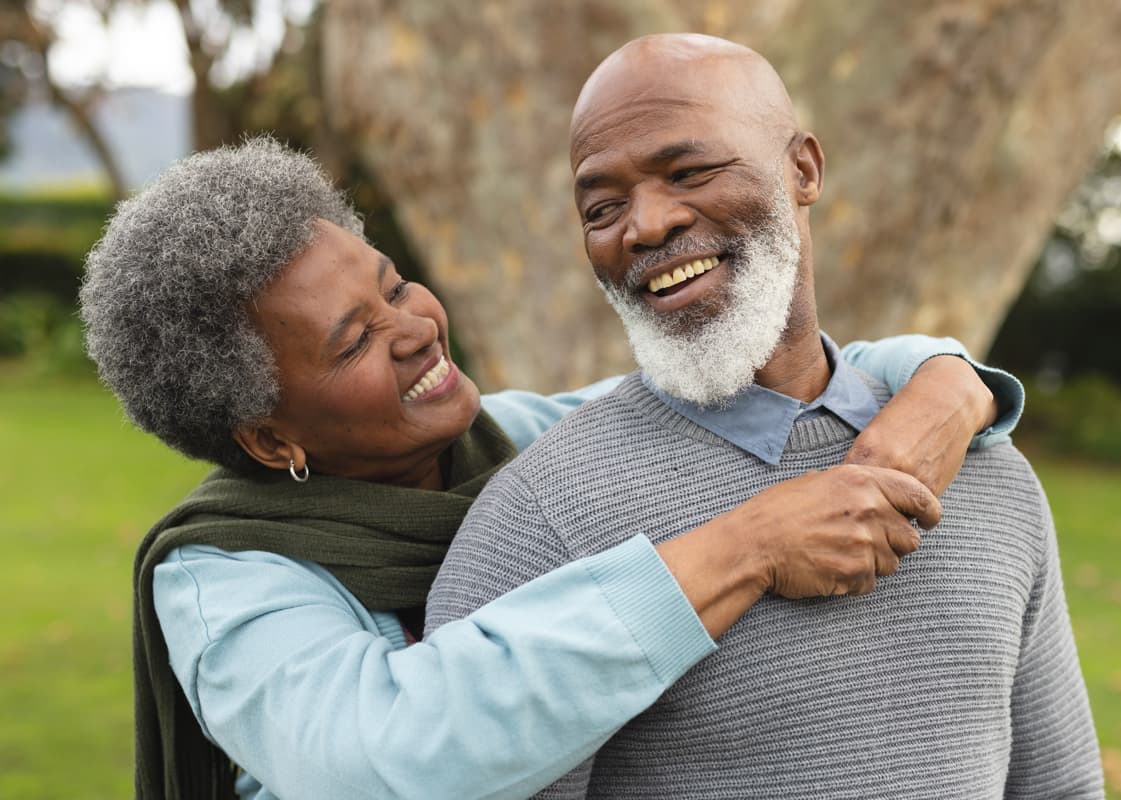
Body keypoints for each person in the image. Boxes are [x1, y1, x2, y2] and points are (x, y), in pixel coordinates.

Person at [78, 138, 1025, 800]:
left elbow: (777, 374)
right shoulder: (229, 583)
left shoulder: (528, 444)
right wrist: (747, 547)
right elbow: (388, 761)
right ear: (268, 439)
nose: (414, 328)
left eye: (394, 283)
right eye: (355, 340)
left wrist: (949, 383)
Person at [427, 33, 1102, 799]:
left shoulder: (990, 476)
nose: (645, 227)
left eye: (689, 171)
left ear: (803, 169)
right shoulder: (538, 518)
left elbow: (1060, 786)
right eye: (603, 207)